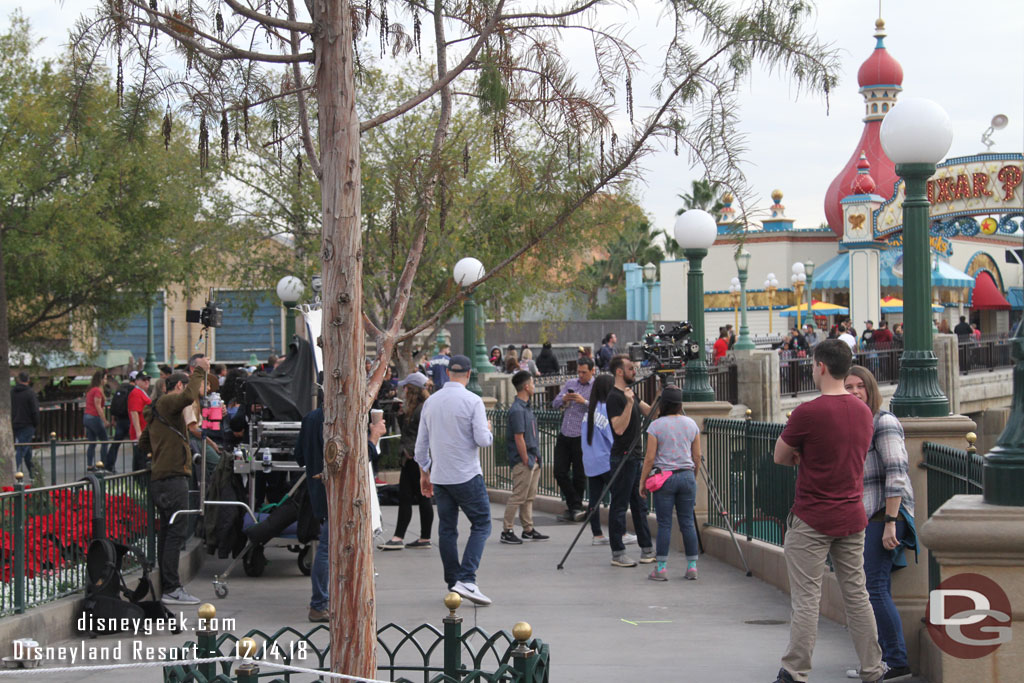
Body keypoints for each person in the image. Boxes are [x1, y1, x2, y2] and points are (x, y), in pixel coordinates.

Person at [770, 340, 884, 683]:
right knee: (857, 595)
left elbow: (779, 456)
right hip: (852, 515)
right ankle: (873, 668)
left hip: (812, 516)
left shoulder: (808, 412)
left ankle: (795, 670)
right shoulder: (864, 412)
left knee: (807, 598)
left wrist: (803, 454)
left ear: (820, 366)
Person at [844, 366, 916, 681]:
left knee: (873, 587)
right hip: (867, 517)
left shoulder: (882, 422)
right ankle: (882, 659)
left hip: (885, 516)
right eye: (848, 387)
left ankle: (896, 660)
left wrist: (889, 521)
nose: (855, 392)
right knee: (876, 586)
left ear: (871, 390)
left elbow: (897, 473)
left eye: (860, 386)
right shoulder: (853, 425)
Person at [414, 355, 495, 605]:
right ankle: (467, 578)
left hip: (441, 476)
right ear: (469, 375)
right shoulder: (473, 401)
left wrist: (426, 470)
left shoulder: (431, 402)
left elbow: (420, 449)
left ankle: (453, 582)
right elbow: (482, 440)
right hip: (466, 474)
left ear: (448, 373)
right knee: (482, 523)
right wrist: (489, 431)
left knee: (447, 528)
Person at [138, 361, 210, 605]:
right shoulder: (169, 402)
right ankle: (171, 587)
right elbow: (189, 397)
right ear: (178, 384)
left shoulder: (156, 411)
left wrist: (163, 450)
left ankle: (168, 586)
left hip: (161, 477)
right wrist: (200, 370)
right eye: (184, 385)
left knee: (168, 533)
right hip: (173, 478)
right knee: (174, 534)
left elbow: (143, 443)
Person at [637, 385, 701, 582]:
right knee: (687, 523)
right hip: (687, 476)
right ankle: (692, 567)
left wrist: (642, 482)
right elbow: (696, 456)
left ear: (662, 403)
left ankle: (662, 568)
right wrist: (693, 475)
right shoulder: (691, 424)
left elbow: (649, 458)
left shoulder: (656, 426)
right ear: (680, 404)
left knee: (664, 524)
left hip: (664, 478)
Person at [605, 355, 655, 567]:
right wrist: (628, 404)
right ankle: (618, 553)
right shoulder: (615, 398)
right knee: (619, 505)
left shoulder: (631, 393)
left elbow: (652, 413)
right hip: (622, 457)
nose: (634, 372)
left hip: (635, 457)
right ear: (619, 371)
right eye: (630, 368)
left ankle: (647, 549)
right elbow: (619, 428)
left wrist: (661, 391)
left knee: (639, 503)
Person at [378, 372, 434, 550]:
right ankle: (419, 537)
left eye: (406, 387)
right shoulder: (420, 407)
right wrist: (401, 416)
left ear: (412, 389)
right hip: (415, 457)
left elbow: (420, 434)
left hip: (414, 458)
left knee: (410, 496)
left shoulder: (421, 408)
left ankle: (400, 537)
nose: (403, 390)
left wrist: (411, 452)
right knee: (417, 496)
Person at [500, 371, 550, 544]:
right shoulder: (517, 410)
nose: (535, 386)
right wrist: (526, 460)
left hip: (533, 457)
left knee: (529, 497)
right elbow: (518, 437)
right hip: (525, 460)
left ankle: (528, 529)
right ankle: (507, 530)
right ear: (526, 387)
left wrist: (534, 458)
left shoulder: (526, 408)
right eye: (533, 383)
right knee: (518, 496)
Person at [294, 400, 327, 622]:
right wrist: (374, 438)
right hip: (339, 494)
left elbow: (299, 457)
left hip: (319, 494)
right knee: (328, 548)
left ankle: (323, 601)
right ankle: (319, 603)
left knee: (328, 547)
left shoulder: (312, 418)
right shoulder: (344, 418)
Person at [551, 358, 595, 522]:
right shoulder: (571, 383)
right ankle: (576, 505)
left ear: (592, 371)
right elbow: (554, 403)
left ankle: (574, 509)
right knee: (559, 471)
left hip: (581, 434)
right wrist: (564, 399)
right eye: (579, 372)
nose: (581, 375)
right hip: (565, 433)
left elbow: (601, 408)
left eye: (584, 372)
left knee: (579, 474)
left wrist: (584, 402)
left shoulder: (595, 386)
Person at [580, 374, 619, 545]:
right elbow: (613, 438)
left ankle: (597, 534)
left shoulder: (590, 411)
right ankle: (620, 531)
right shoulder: (606, 409)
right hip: (606, 461)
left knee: (594, 500)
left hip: (590, 461)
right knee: (618, 498)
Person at [11, 372, 39, 478]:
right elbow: (34, 410)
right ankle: (15, 472)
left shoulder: (12, 392)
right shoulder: (30, 393)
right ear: (28, 380)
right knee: (22, 449)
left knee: (26, 449)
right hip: (27, 424)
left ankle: (33, 474)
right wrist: (36, 424)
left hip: (16, 422)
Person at [83, 370, 109, 472]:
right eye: (105, 378)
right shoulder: (97, 391)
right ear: (101, 379)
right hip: (94, 417)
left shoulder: (90, 390)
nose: (106, 380)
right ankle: (103, 464)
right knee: (105, 441)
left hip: (86, 417)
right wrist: (105, 420)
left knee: (92, 442)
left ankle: (90, 465)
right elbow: (98, 407)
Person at [128, 372, 153, 471]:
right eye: (144, 380)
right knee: (141, 461)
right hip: (141, 433)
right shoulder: (136, 393)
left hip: (145, 431)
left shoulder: (141, 392)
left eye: (148, 379)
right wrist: (139, 433)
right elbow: (134, 412)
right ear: (137, 381)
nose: (147, 381)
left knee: (144, 459)